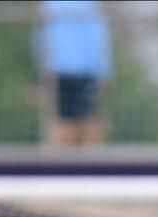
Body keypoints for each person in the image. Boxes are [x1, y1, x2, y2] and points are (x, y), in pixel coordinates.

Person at [36, 0, 111, 146]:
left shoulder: (49, 4)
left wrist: (40, 73)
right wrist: (105, 71)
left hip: (60, 70)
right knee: (88, 121)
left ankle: (60, 164)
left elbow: (41, 38)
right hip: (83, 70)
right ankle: (90, 165)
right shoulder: (91, 5)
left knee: (63, 121)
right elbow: (98, 37)